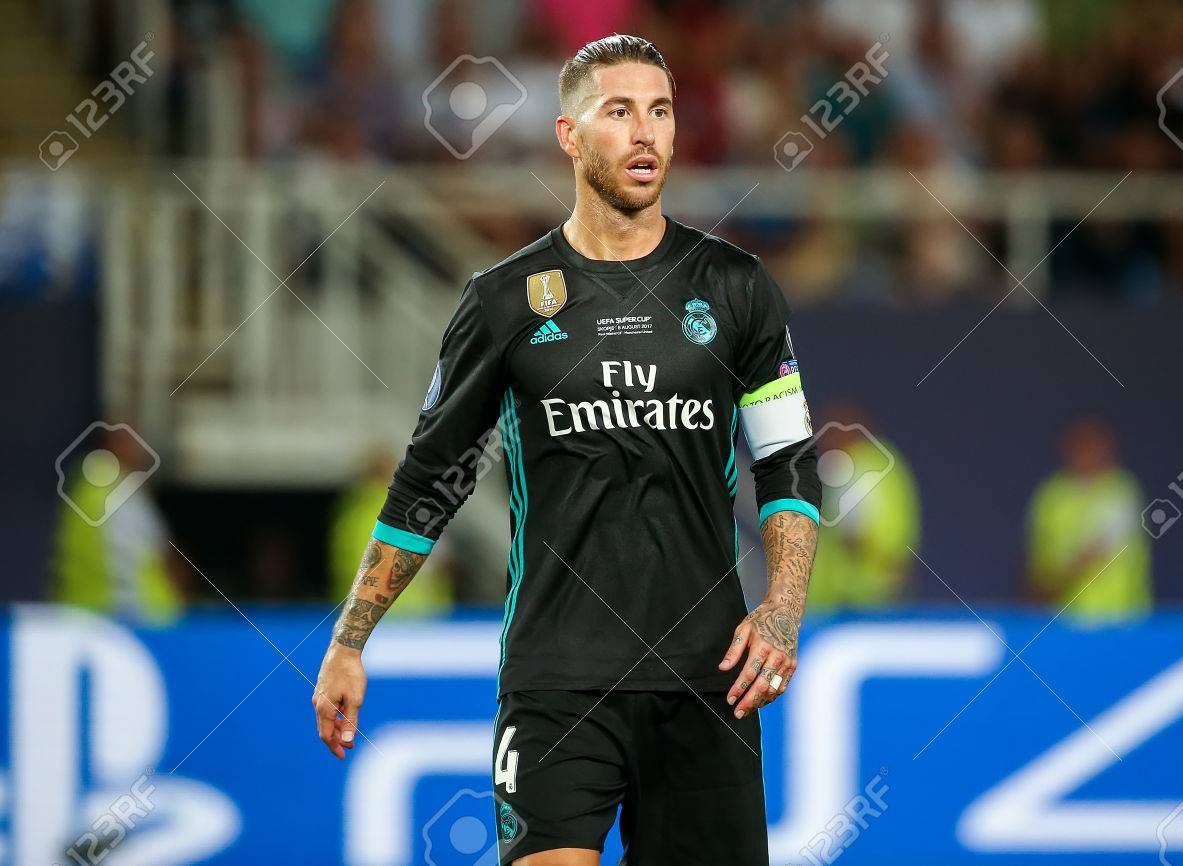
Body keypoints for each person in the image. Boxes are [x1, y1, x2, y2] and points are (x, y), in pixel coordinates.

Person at [312, 35, 822, 865]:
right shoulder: (504, 300)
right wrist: (349, 640)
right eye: (618, 112)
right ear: (568, 136)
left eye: (659, 111)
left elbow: (788, 464)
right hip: (556, 682)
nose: (646, 133)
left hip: (706, 680)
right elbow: (429, 483)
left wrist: (785, 605)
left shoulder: (735, 288)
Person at [53, 425, 186, 624]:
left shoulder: (80, 491)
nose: (140, 451)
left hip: (78, 617)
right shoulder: (125, 492)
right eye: (134, 443)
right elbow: (168, 559)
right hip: (140, 620)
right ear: (114, 446)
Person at [1025, 416, 1151, 619]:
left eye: (1093, 444)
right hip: (1064, 622)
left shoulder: (1121, 490)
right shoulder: (1051, 494)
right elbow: (1039, 562)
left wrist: (1063, 575)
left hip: (1121, 620)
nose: (1087, 452)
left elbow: (1097, 552)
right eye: (1080, 444)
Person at [807, 408, 920, 609]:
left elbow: (854, 533)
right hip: (884, 587)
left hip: (853, 596)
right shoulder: (887, 462)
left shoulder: (850, 467)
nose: (824, 444)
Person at [328, 447, 452, 614]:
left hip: (366, 615)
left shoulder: (349, 516)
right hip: (418, 614)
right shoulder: (412, 508)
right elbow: (442, 564)